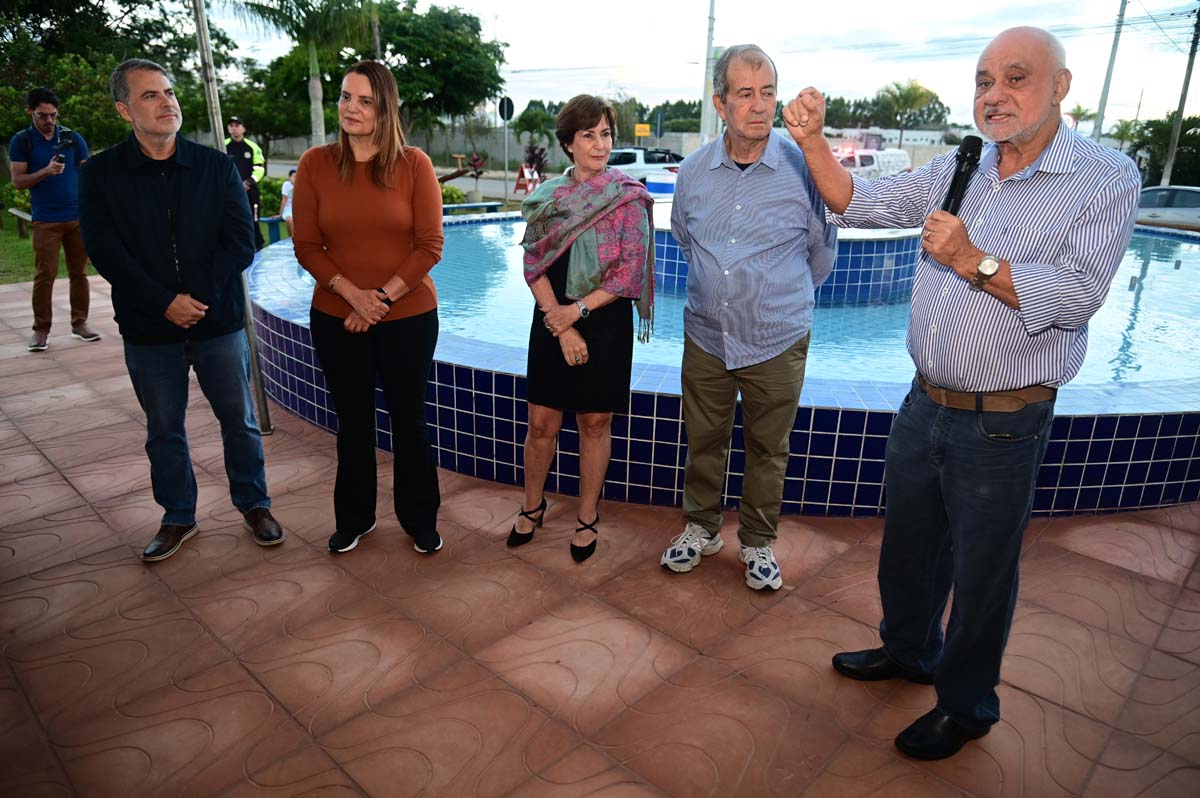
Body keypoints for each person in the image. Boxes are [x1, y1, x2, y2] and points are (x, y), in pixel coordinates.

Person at [783, 27, 1140, 760]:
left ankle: (966, 705)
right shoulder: (962, 162)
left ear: (1060, 87)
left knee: (982, 576)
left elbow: (1078, 296)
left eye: (1015, 77)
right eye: (983, 81)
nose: (994, 95)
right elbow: (857, 201)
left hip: (1003, 422)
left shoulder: (1104, 177)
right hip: (925, 403)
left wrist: (972, 259)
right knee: (908, 550)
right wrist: (813, 141)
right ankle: (909, 650)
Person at [78, 58, 285, 562]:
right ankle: (178, 516)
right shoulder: (102, 174)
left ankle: (254, 504)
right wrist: (163, 302)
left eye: (169, 92)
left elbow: (242, 240)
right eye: (150, 95)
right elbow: (105, 251)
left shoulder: (215, 166)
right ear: (124, 110)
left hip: (217, 323)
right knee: (164, 429)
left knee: (239, 420)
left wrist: (198, 297)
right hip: (149, 329)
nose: (167, 102)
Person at [659, 45, 836, 590]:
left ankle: (758, 541)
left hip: (777, 338)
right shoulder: (693, 172)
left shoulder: (804, 171)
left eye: (767, 93)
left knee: (768, 449)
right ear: (720, 103)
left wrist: (772, 299)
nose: (759, 106)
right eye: (744, 94)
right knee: (703, 440)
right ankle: (702, 528)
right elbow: (686, 239)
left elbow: (822, 254)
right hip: (707, 337)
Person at [292, 61, 445, 556]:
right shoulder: (315, 165)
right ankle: (355, 518)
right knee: (353, 422)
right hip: (337, 317)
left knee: (409, 420)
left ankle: (420, 519)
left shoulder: (414, 165)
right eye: (345, 97)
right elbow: (306, 246)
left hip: (408, 318)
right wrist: (351, 295)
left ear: (385, 109)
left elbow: (429, 245)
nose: (350, 108)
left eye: (364, 101)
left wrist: (377, 299)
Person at [510, 94, 655, 564]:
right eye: (588, 135)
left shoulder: (628, 197)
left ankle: (587, 515)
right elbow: (533, 263)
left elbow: (630, 273)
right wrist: (560, 319)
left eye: (605, 134)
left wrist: (576, 315)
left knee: (595, 423)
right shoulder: (548, 197)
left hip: (603, 320)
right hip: (551, 315)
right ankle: (532, 505)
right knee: (541, 424)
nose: (600, 144)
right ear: (568, 143)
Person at [8, 87, 99, 352]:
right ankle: (41, 330)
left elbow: (87, 173)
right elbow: (18, 181)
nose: (49, 120)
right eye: (42, 115)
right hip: (46, 220)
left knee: (79, 273)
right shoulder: (22, 141)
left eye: (53, 115)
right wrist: (46, 171)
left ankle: (80, 323)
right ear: (30, 112)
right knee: (45, 275)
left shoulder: (71, 137)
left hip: (77, 218)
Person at [225, 116, 266, 250]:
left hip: (250, 191)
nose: (234, 128)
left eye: (237, 125)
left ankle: (258, 246)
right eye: (231, 125)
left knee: (253, 219)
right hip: (231, 192)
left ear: (243, 129)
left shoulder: (252, 146)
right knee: (232, 220)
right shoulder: (223, 145)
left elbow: (259, 169)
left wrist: (248, 183)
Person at [280, 167, 297, 237]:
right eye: (294, 176)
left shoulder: (302, 184)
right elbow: (284, 200)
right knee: (289, 219)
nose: (296, 178)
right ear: (289, 177)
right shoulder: (286, 185)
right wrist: (280, 214)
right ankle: (292, 237)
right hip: (288, 208)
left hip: (299, 209)